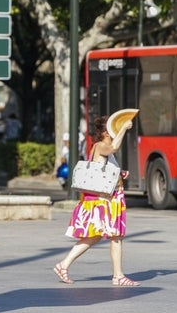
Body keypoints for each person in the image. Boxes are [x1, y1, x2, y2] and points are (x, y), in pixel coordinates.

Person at [53, 115, 139, 287]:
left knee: (96, 237)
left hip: (108, 198)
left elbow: (103, 170)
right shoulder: (101, 146)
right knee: (114, 236)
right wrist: (124, 128)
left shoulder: (100, 147)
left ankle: (64, 265)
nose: (115, 132)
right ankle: (118, 276)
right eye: (113, 129)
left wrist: (120, 174)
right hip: (104, 201)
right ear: (106, 132)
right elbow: (114, 147)